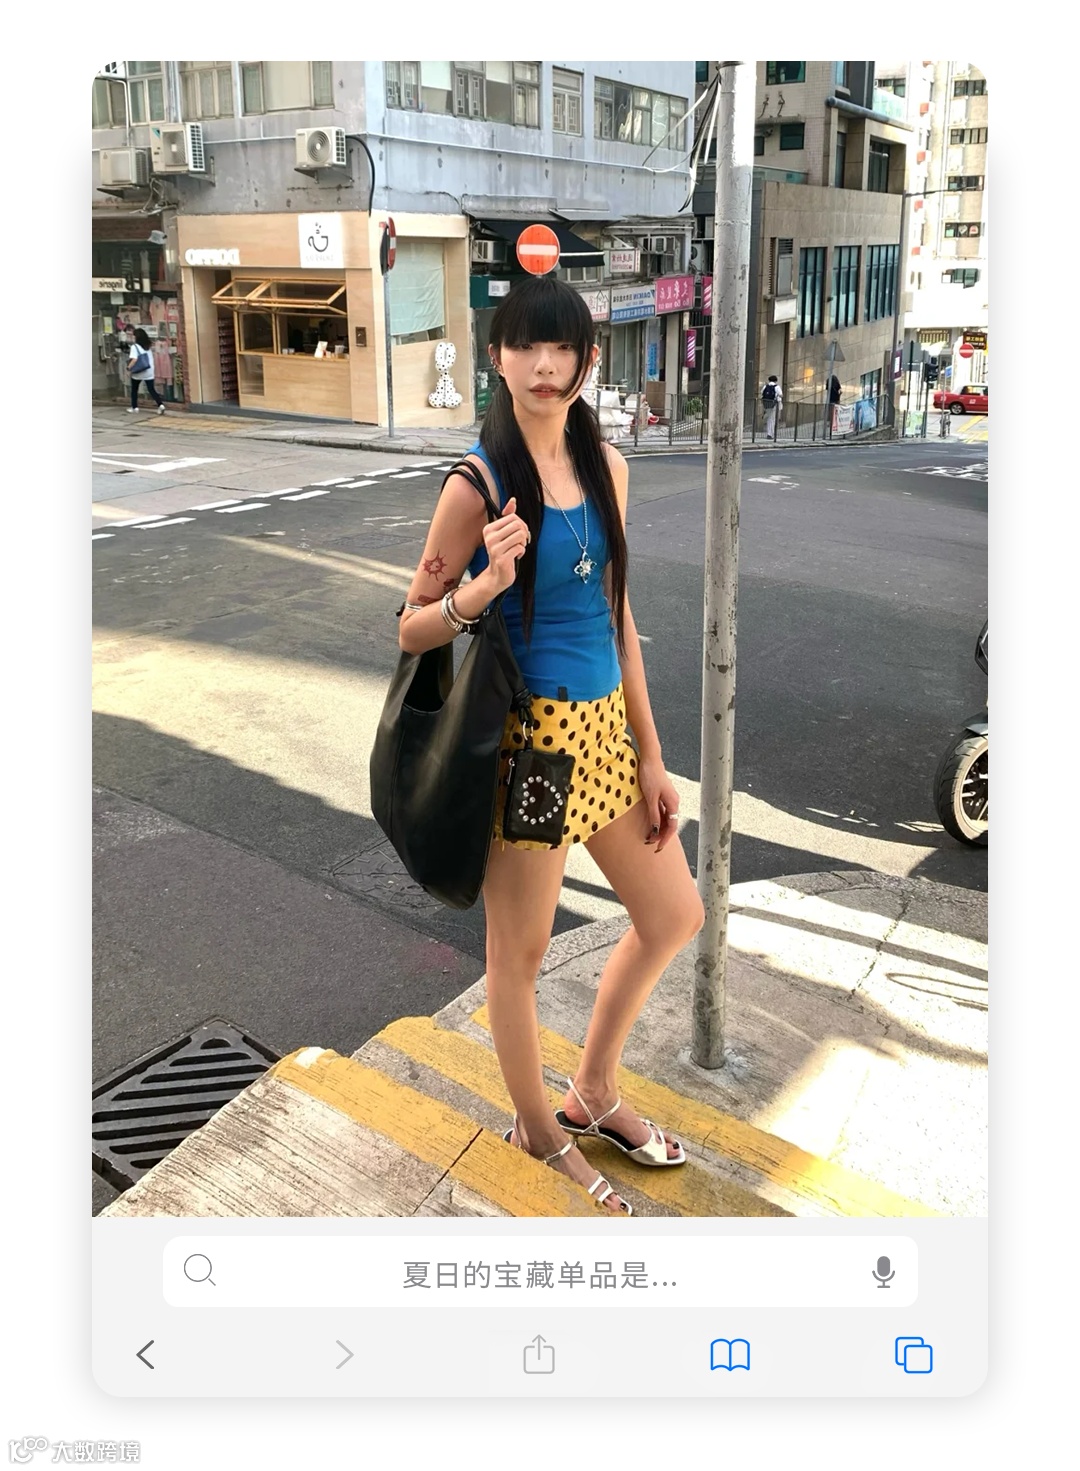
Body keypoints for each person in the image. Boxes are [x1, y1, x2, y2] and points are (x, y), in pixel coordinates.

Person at [397, 275, 705, 1215]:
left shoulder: (606, 465)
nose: (543, 364)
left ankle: (593, 1090)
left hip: (605, 735)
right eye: (524, 345)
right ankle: (536, 1130)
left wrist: (651, 752)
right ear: (497, 357)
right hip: (528, 751)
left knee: (674, 914)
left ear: (586, 359)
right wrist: (480, 590)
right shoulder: (476, 485)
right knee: (519, 957)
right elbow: (411, 623)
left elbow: (618, 614)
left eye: (560, 346)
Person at [127, 328, 165, 414]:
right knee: (151, 389)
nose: (132, 337)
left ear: (136, 337)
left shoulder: (134, 347)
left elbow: (134, 359)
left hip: (138, 371)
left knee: (134, 389)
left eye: (133, 335)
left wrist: (128, 368)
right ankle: (160, 404)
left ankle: (134, 407)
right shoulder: (148, 345)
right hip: (149, 370)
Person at [761, 374, 782, 439]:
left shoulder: (765, 386)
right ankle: (770, 434)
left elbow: (762, 393)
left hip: (767, 404)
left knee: (769, 418)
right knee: (772, 419)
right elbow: (781, 394)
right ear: (775, 380)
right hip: (774, 404)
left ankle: (769, 433)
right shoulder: (777, 387)